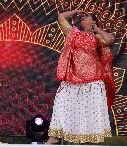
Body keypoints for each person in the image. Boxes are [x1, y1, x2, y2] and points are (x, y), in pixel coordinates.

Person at [46, 10, 115, 144]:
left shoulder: (97, 37)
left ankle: (87, 140)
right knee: (61, 105)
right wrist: (75, 11)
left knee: (87, 111)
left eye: (86, 16)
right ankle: (55, 137)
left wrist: (96, 29)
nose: (82, 17)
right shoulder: (73, 33)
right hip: (72, 78)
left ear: (93, 21)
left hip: (92, 80)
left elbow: (109, 40)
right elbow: (61, 17)